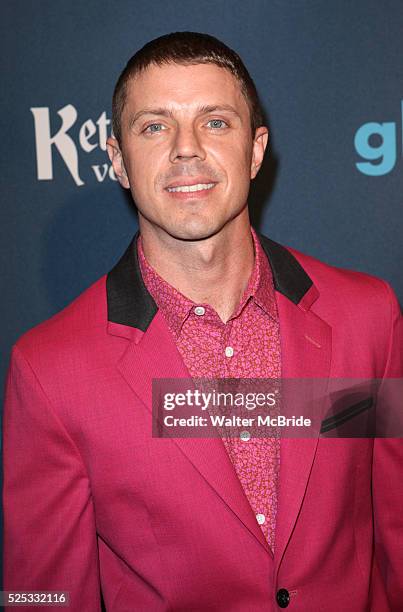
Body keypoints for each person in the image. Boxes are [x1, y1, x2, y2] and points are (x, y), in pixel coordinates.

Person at [3, 31, 402, 611]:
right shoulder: (50, 370)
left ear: (256, 150)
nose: (186, 148)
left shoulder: (368, 319)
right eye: (154, 126)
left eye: (215, 122)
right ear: (118, 159)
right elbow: (42, 597)